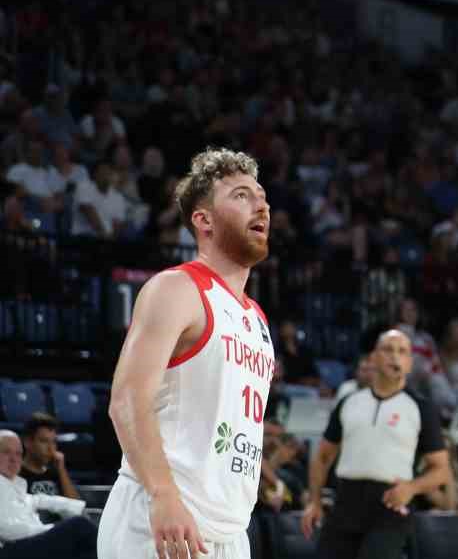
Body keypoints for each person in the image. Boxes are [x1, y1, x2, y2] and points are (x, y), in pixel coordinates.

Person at [98, 148, 273, 559]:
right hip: (162, 519)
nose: (261, 204)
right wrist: (163, 495)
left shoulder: (258, 319)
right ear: (203, 220)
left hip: (230, 530)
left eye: (262, 195)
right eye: (242, 195)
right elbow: (126, 400)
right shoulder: (176, 289)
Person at [301, 328, 451, 559]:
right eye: (388, 350)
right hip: (346, 501)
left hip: (389, 504)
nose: (395, 356)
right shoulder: (349, 402)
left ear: (409, 363)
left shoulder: (421, 408)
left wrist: (411, 488)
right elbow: (322, 457)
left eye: (402, 352)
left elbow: (441, 470)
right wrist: (314, 501)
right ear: (372, 358)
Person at [0, 429, 96, 557]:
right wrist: (51, 530)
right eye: (6, 452)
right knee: (78, 526)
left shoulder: (15, 485)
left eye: (18, 454)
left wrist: (76, 507)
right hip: (10, 549)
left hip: (25, 544)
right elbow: (5, 529)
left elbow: (37, 499)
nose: (14, 459)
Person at [18, 413, 79, 500]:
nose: (51, 449)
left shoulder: (57, 473)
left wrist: (62, 470)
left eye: (53, 441)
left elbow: (76, 506)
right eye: (44, 441)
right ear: (27, 442)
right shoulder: (16, 473)